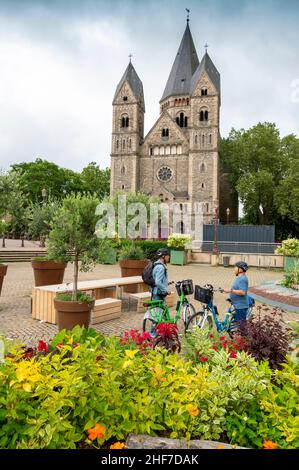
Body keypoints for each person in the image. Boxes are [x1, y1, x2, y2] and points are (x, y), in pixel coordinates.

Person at [223, 261, 249, 329]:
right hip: (237, 304)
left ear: (240, 269)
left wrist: (230, 290)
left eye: (235, 267)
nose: (234, 269)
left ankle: (244, 338)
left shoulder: (243, 279)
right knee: (238, 323)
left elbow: (243, 292)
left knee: (242, 327)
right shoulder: (239, 278)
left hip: (241, 306)